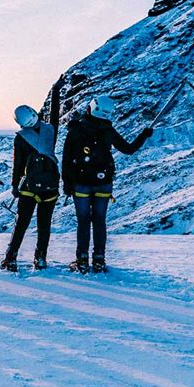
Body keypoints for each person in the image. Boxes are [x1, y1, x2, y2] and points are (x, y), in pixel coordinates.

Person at [62, 95, 153, 273]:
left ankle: (82, 260)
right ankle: (99, 259)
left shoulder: (76, 130)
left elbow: (66, 159)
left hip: (81, 183)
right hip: (103, 183)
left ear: (91, 108)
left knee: (83, 221)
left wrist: (67, 183)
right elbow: (129, 149)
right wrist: (144, 135)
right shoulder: (108, 131)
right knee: (99, 221)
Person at [1, 79, 62, 273]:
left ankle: (11, 258)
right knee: (44, 224)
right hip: (50, 186)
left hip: (28, 187)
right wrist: (56, 90)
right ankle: (40, 258)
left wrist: (14, 186)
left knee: (21, 224)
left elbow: (18, 165)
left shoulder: (21, 138)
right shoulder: (50, 130)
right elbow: (54, 113)